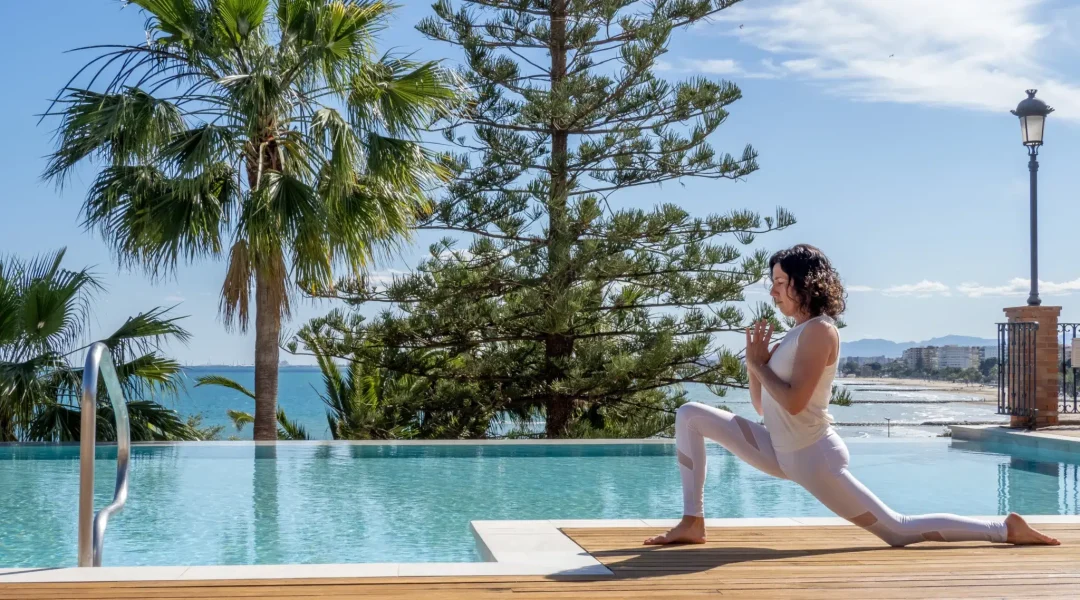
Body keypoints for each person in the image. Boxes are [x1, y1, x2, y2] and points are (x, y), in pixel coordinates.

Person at [644, 244, 1059, 547]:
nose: (773, 291)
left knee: (898, 530)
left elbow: (794, 404)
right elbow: (764, 407)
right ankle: (692, 521)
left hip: (813, 458)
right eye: (773, 283)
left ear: (805, 283)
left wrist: (758, 364)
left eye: (780, 282)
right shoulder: (795, 334)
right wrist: (758, 365)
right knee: (690, 414)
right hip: (779, 449)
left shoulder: (820, 331)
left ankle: (1004, 528)